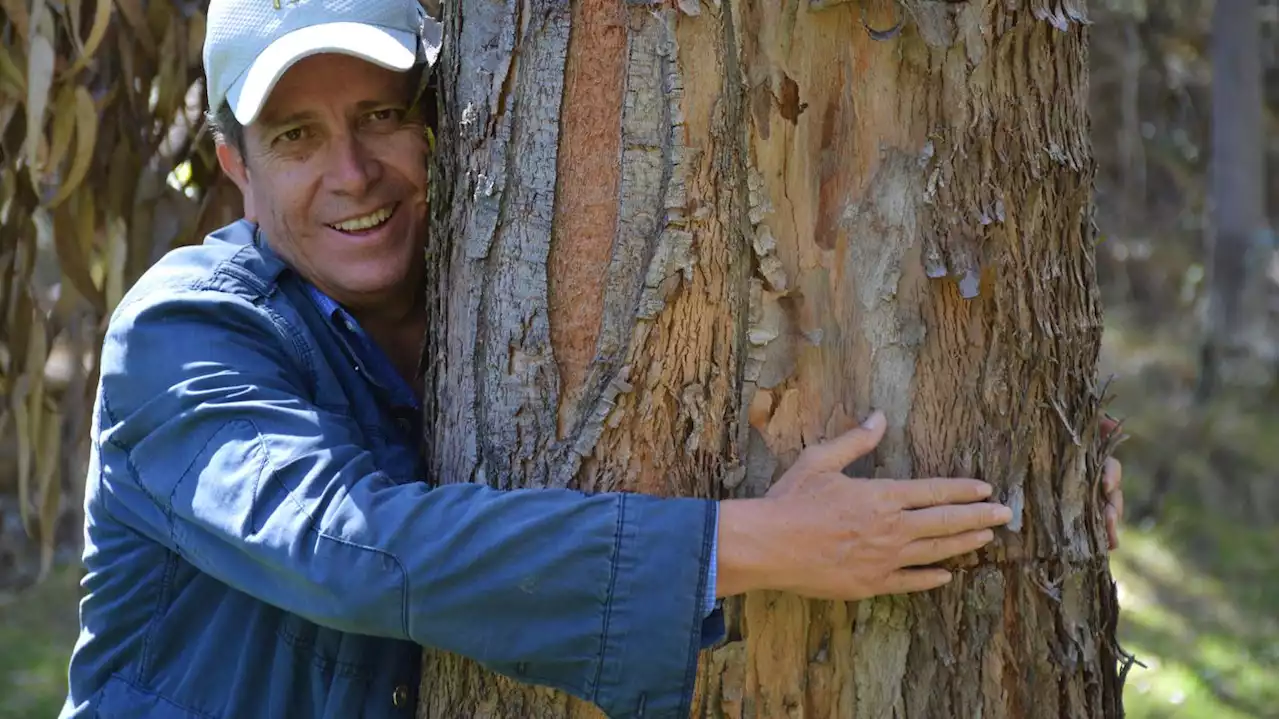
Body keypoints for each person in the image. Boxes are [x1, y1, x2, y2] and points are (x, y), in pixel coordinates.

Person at [60, 1, 1125, 717]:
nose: (351, 171)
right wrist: (742, 544)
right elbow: (345, 545)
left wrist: (1032, 504)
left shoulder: (475, 300)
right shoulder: (184, 332)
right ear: (233, 165)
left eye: (382, 115)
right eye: (295, 137)